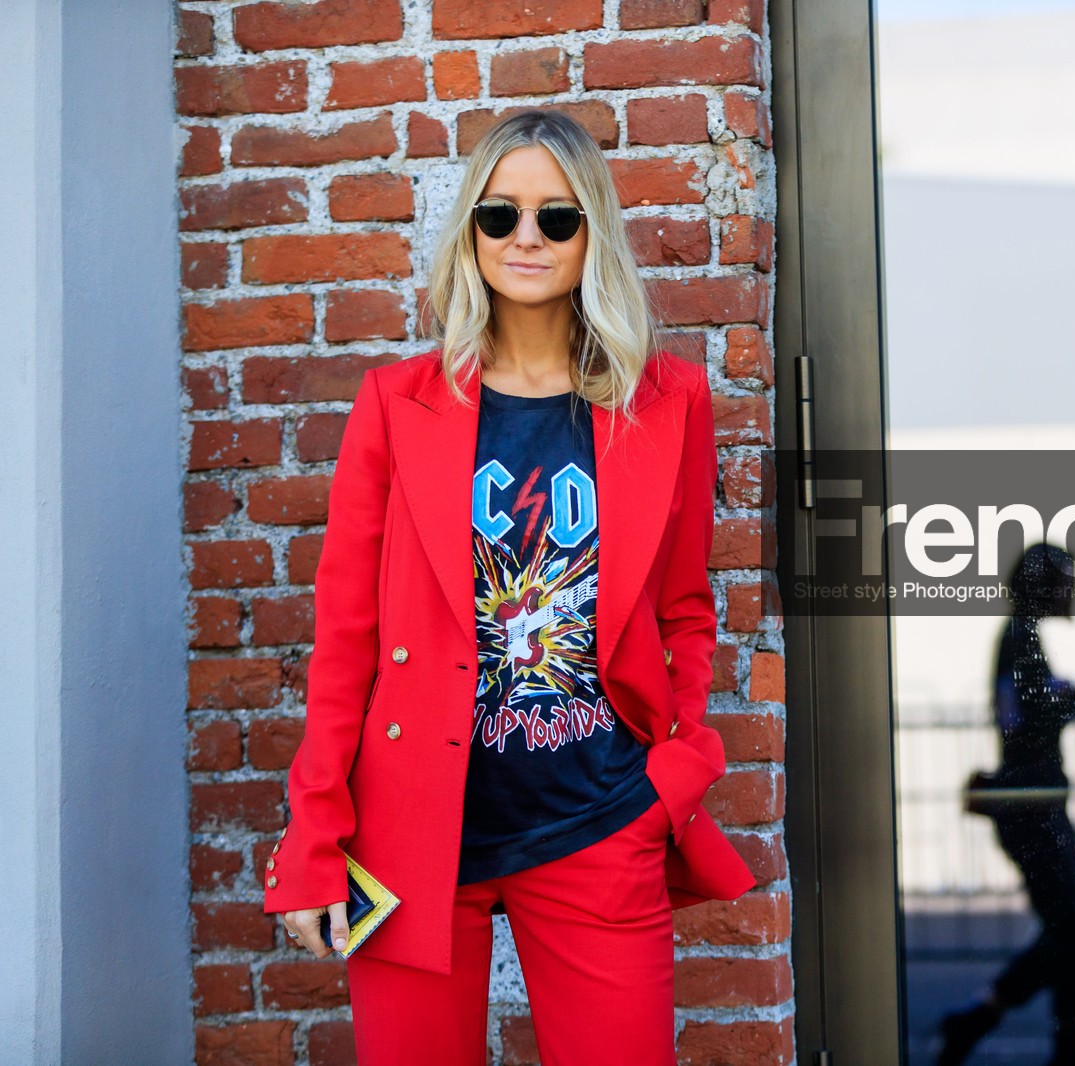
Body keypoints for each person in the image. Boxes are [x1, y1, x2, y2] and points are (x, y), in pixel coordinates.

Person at [261, 110, 755, 1066]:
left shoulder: (666, 403)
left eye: (556, 218)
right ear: (472, 232)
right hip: (408, 838)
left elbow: (684, 609)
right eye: (500, 215)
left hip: (600, 819)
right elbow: (346, 641)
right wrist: (316, 833)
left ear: (592, 233)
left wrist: (672, 772)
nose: (526, 238)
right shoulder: (395, 406)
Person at [937, 544, 1075, 1066]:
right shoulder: (1019, 639)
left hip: (1038, 807)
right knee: (1074, 929)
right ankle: (992, 1020)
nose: (1073, 593)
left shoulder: (1020, 637)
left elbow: (1029, 714)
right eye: (1065, 582)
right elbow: (1030, 723)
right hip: (1032, 810)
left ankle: (1052, 1038)